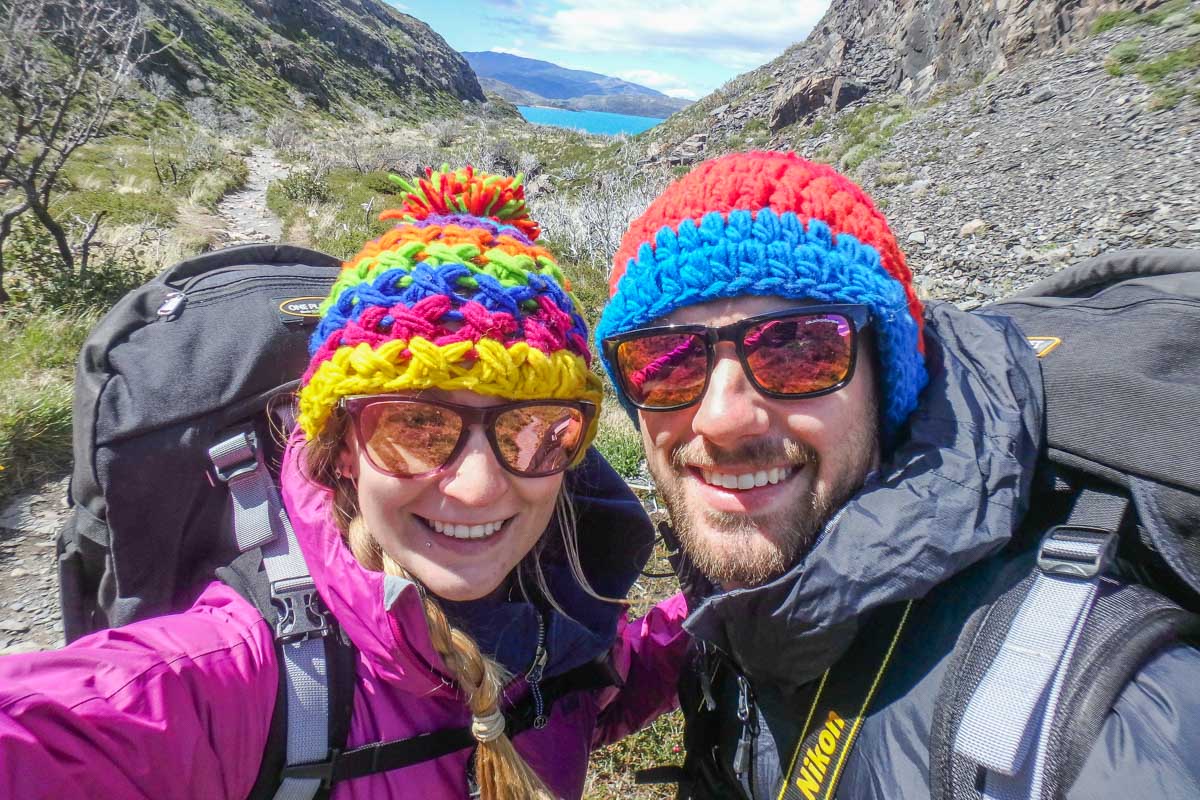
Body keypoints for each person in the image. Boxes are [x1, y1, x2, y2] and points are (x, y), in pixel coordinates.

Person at [0, 167, 688, 799]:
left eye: (532, 429)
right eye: (416, 426)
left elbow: (587, 703)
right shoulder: (233, 680)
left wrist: (743, 586)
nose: (479, 488)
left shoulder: (555, 601)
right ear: (341, 451)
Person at [594, 151, 1200, 799]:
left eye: (798, 348)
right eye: (668, 360)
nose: (721, 419)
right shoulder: (749, 591)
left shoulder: (1104, 725)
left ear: (887, 381)